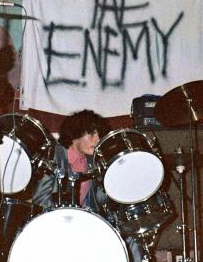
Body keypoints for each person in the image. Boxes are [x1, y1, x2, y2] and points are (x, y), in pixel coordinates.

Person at [32, 109, 143, 262]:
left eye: (99, 134)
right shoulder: (55, 156)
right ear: (74, 135)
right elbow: (40, 199)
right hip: (57, 225)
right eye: (91, 134)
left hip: (87, 224)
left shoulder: (93, 162)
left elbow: (101, 200)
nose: (97, 139)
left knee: (129, 235)